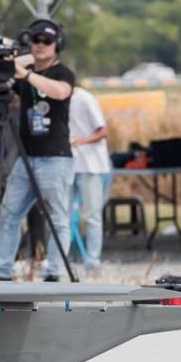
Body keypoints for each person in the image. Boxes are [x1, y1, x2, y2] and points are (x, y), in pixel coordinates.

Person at [0, 19, 75, 282]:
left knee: (57, 218)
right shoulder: (25, 73)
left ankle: (54, 272)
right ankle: (2, 271)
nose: (39, 45)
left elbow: (60, 93)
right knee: (9, 213)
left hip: (55, 157)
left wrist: (26, 73)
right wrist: (10, 60)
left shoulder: (63, 73)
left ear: (57, 45)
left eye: (46, 41)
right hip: (26, 157)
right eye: (35, 40)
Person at [69, 86, 111, 270]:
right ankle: (63, 258)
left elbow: (103, 131)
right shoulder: (54, 98)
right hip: (68, 164)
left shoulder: (84, 98)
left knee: (92, 214)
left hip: (90, 165)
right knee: (64, 213)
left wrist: (81, 141)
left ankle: (93, 260)